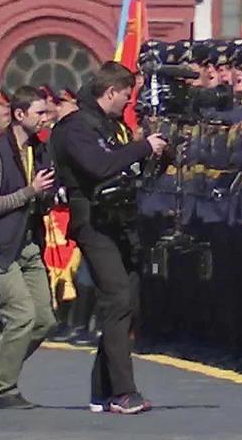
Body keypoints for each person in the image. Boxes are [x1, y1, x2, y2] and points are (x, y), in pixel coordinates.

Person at [51, 62, 168, 414]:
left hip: (118, 220)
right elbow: (100, 166)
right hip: (93, 223)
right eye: (126, 96)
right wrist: (142, 147)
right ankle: (123, 392)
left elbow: (126, 166)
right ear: (111, 91)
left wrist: (158, 152)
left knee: (129, 298)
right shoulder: (76, 128)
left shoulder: (110, 125)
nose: (128, 104)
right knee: (116, 297)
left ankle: (102, 388)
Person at [0, 86, 58, 409]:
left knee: (44, 320)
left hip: (27, 244)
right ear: (19, 115)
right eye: (39, 113)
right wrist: (29, 191)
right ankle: (2, 388)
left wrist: (48, 193)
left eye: (47, 112)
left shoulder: (38, 150)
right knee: (21, 316)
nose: (45, 118)